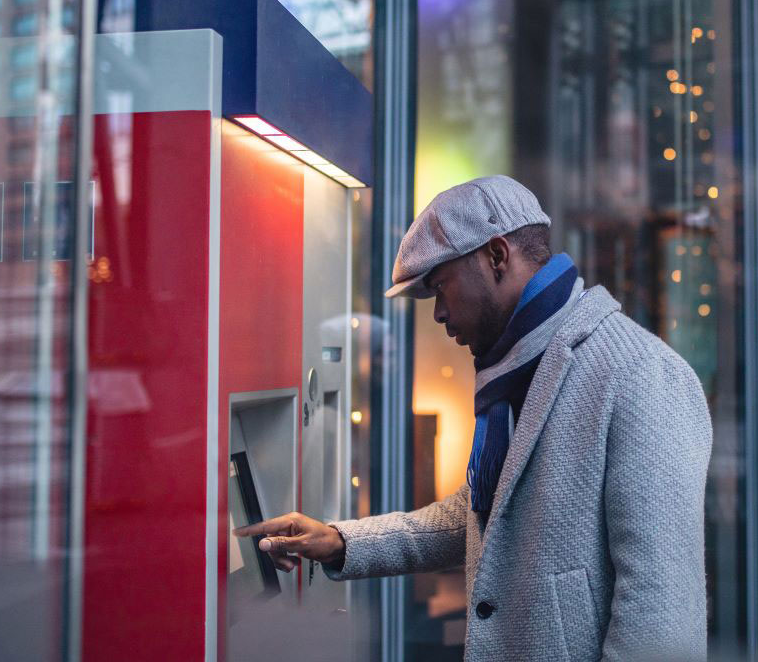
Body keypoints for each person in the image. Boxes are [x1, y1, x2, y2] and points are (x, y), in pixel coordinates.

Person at [236, 175, 712, 661]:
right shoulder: (522, 368)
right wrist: (340, 541)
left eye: (441, 287)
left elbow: (661, 618)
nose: (439, 313)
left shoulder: (642, 374)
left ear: (497, 256)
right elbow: (482, 517)